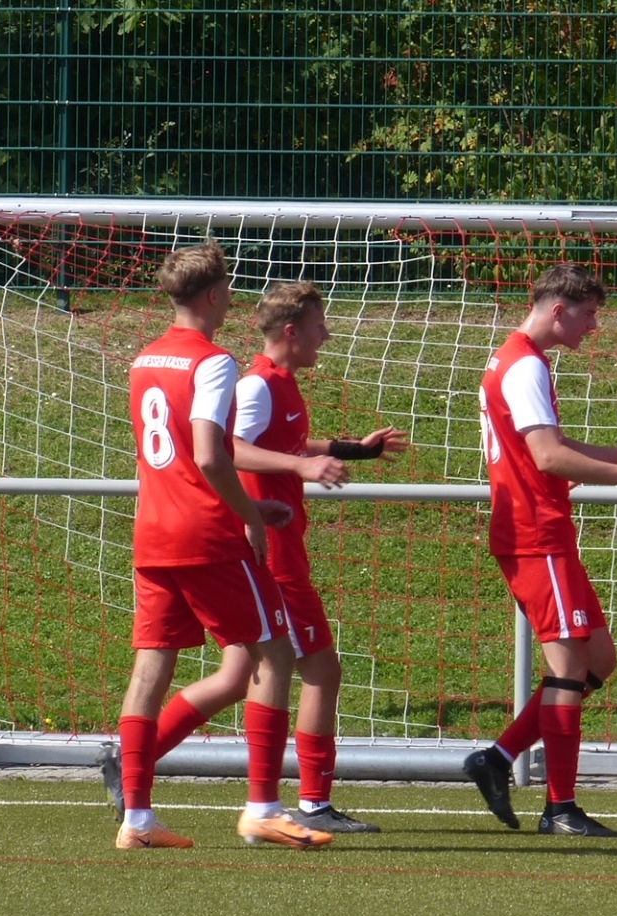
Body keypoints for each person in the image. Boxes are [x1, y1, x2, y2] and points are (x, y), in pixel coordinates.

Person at [113, 241, 330, 852]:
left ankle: (137, 821)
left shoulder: (144, 358)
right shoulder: (213, 362)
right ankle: (262, 808)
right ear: (213, 295)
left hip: (152, 531)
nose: (232, 297)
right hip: (205, 533)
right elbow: (210, 454)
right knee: (273, 654)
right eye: (229, 288)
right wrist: (250, 515)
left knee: (151, 667)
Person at [462, 263, 617, 837]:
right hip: (535, 534)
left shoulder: (517, 358)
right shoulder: (525, 364)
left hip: (542, 532)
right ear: (559, 310)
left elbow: (551, 444)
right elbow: (549, 457)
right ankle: (560, 808)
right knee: (570, 669)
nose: (593, 326)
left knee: (599, 661)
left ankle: (497, 758)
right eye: (589, 314)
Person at [231, 280, 408, 834]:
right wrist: (300, 467)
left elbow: (285, 445)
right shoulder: (259, 385)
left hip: (282, 548)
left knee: (239, 676)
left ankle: (135, 759)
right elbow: (229, 450)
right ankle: (309, 803)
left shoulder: (280, 384)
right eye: (319, 326)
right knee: (320, 669)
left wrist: (353, 449)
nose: (325, 336)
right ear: (292, 331)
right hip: (273, 553)